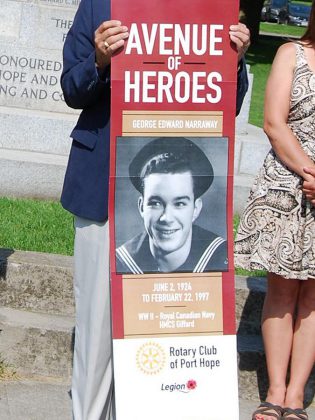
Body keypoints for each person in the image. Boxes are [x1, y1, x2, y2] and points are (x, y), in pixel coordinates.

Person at [60, 0, 250, 417]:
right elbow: (72, 88)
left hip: (173, 198)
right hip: (103, 188)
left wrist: (233, 62)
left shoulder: (208, 10)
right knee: (96, 330)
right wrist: (99, 60)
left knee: (167, 332)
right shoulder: (99, 5)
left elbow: (225, 107)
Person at [234, 4, 315, 419]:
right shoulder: (291, 54)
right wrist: (310, 170)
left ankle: (297, 396)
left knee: (314, 296)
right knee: (282, 289)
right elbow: (273, 122)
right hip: (287, 184)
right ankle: (275, 392)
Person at [116, 137, 227, 274]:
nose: (166, 218)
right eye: (155, 203)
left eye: (179, 203)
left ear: (196, 209)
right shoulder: (121, 263)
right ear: (141, 207)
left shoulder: (219, 257)